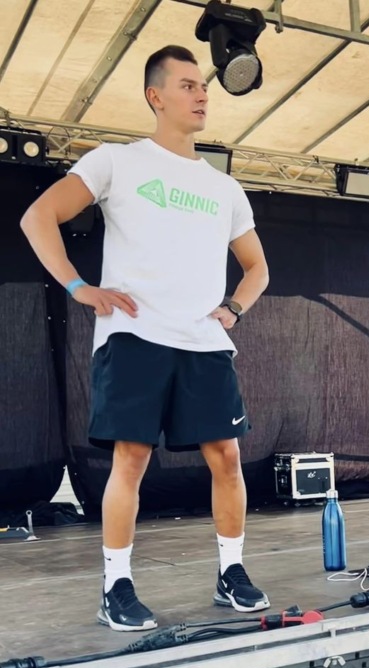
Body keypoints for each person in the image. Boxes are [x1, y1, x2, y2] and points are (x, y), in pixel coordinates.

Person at [20, 45, 270, 631]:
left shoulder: (225, 188)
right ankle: (117, 585)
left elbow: (258, 268)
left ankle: (231, 572)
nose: (202, 94)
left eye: (203, 86)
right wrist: (80, 287)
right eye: (188, 85)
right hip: (135, 334)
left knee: (227, 457)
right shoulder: (116, 161)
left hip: (204, 342)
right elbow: (38, 217)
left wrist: (233, 308)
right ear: (156, 96)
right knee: (130, 459)